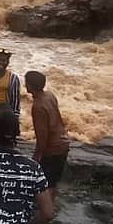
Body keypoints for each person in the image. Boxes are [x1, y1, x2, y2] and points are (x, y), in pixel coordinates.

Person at [25, 70, 69, 200]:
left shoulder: (38, 106)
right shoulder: (50, 95)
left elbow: (42, 135)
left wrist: (37, 155)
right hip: (63, 143)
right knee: (53, 180)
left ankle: (45, 211)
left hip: (52, 148)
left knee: (46, 182)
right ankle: (51, 206)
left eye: (26, 82)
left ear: (30, 86)